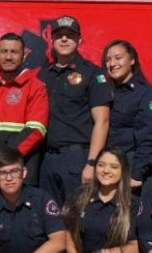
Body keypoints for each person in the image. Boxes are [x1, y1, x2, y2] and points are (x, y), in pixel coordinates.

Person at [37, 16, 112, 207]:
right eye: (59, 35)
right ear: (51, 41)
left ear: (79, 41)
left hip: (78, 159)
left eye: (69, 35)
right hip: (47, 160)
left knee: (77, 222)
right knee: (50, 222)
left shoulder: (93, 74)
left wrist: (92, 163)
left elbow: (102, 121)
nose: (64, 39)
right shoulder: (43, 75)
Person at [0, 32, 49, 194]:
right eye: (4, 51)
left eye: (14, 52)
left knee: (22, 219)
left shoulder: (35, 87)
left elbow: (36, 130)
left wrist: (0, 161)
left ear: (24, 55)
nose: (8, 57)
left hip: (20, 172)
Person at [102, 40, 152, 190]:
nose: (112, 63)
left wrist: (136, 174)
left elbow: (148, 136)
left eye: (118, 57)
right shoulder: (104, 90)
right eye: (108, 60)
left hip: (130, 166)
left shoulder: (145, 93)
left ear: (132, 60)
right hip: (106, 167)